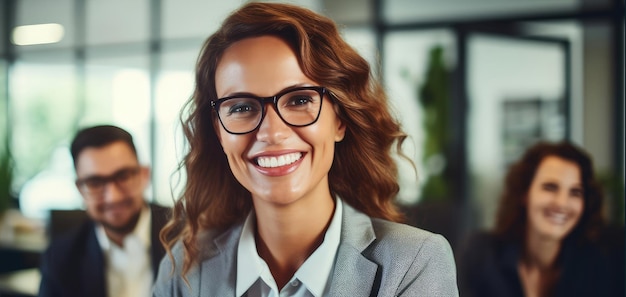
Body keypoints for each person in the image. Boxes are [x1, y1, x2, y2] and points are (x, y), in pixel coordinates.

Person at [154, 2, 459, 297]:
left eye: (299, 100)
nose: (272, 132)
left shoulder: (413, 263)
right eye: (242, 107)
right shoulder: (184, 266)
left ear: (339, 119)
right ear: (219, 130)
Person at [458, 141, 624, 297]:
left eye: (575, 192)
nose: (561, 203)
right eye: (550, 187)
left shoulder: (608, 261)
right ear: (525, 193)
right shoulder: (481, 256)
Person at [38, 125, 170, 297]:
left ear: (144, 175)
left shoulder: (189, 238)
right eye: (95, 183)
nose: (112, 197)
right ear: (80, 190)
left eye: (123, 176)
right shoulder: (60, 259)